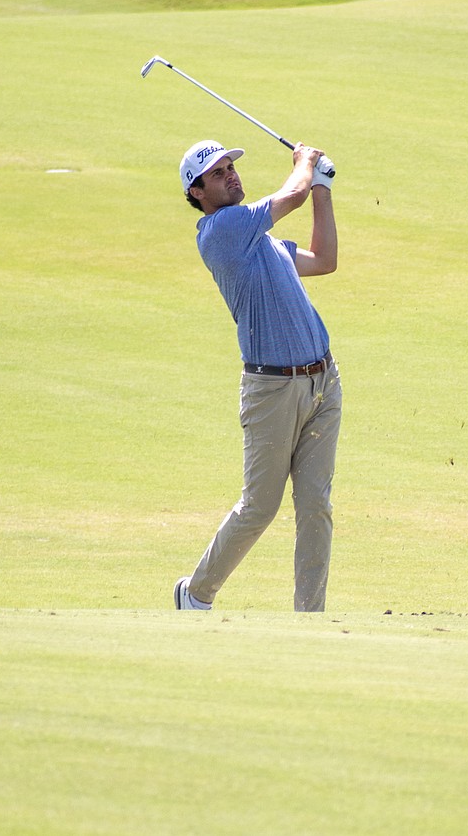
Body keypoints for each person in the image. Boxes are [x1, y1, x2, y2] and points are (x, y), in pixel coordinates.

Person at [174, 138, 342, 612]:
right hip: (272, 390)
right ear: (197, 193)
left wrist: (323, 188)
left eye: (230, 166)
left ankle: (310, 618)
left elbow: (324, 260)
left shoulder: (261, 240)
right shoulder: (222, 230)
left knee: (316, 506)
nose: (230, 174)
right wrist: (305, 164)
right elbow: (292, 195)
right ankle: (195, 593)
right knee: (260, 507)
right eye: (217, 173)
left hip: (323, 382)